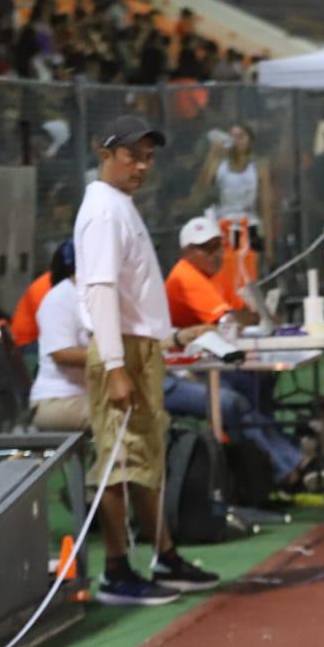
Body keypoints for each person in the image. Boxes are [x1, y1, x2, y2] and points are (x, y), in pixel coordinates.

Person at [74, 114, 218, 606]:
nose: (142, 166)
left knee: (143, 459)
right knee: (118, 464)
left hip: (138, 348)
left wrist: (168, 335)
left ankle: (164, 554)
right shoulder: (104, 212)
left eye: (149, 157)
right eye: (132, 155)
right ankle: (117, 571)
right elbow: (100, 292)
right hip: (123, 352)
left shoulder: (118, 206)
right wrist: (115, 366)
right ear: (105, 153)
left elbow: (129, 291)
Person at [163, 215, 324, 494]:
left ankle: (288, 454)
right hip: (186, 372)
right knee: (235, 402)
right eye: (205, 248)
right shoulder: (185, 276)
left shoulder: (212, 276)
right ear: (187, 253)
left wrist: (255, 316)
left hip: (208, 365)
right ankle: (290, 467)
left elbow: (242, 315)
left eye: (217, 245)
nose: (215, 253)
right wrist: (252, 317)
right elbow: (231, 319)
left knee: (259, 384)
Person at [29, 240, 91, 432]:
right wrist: (116, 356)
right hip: (57, 400)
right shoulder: (59, 298)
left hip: (88, 394)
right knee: (125, 418)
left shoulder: (93, 295)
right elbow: (62, 355)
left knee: (142, 409)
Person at [199, 122, 277, 261]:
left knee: (250, 269)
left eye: (241, 136)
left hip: (250, 225)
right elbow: (202, 188)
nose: (236, 141)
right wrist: (212, 155)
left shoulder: (259, 167)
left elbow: (266, 207)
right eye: (232, 137)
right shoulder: (219, 164)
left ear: (250, 141)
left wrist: (269, 249)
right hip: (225, 225)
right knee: (229, 267)